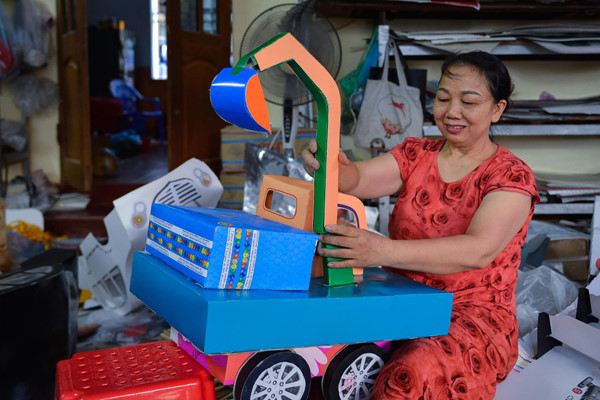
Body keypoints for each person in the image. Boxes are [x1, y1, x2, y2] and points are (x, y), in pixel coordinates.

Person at [302, 51, 539, 399]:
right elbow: (355, 180)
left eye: (468, 101)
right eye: (443, 98)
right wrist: (330, 164)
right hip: (401, 300)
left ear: (497, 109)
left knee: (409, 376)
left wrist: (381, 250)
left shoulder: (510, 176)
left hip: (469, 315)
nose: (452, 111)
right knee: (318, 359)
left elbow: (478, 250)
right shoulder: (416, 155)